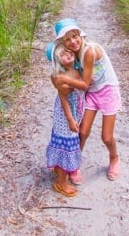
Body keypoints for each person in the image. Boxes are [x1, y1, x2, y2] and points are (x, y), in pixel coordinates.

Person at [51, 18, 121, 181]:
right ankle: (73, 164)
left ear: (80, 35)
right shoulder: (70, 54)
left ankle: (114, 158)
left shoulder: (89, 51)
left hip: (108, 91)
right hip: (92, 92)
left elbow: (83, 84)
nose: (73, 42)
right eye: (67, 39)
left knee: (107, 137)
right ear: (63, 42)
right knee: (82, 132)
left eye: (75, 36)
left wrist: (65, 80)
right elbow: (62, 76)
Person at [45, 41, 84, 197]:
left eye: (68, 51)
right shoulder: (60, 77)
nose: (68, 54)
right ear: (57, 60)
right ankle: (61, 182)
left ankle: (60, 169)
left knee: (69, 142)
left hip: (75, 113)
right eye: (62, 54)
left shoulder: (75, 69)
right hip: (65, 115)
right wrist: (70, 120)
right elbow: (64, 99)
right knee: (66, 145)